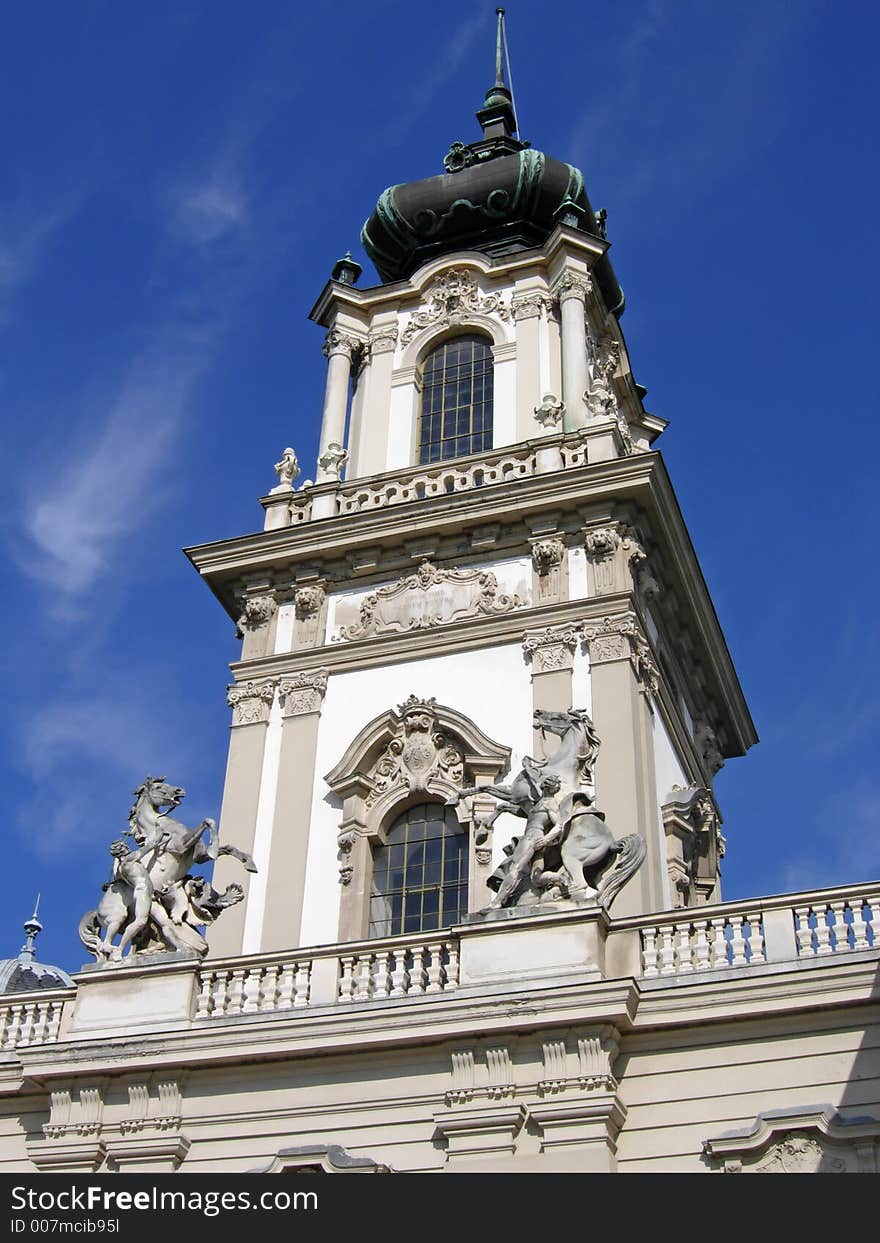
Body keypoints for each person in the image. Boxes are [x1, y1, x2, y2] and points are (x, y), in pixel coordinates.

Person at [488, 774, 563, 909]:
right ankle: (559, 877)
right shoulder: (540, 802)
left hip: (533, 837)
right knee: (536, 877)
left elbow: (559, 825)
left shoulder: (549, 803)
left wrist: (546, 839)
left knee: (515, 868)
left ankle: (497, 902)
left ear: (546, 786)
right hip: (534, 837)